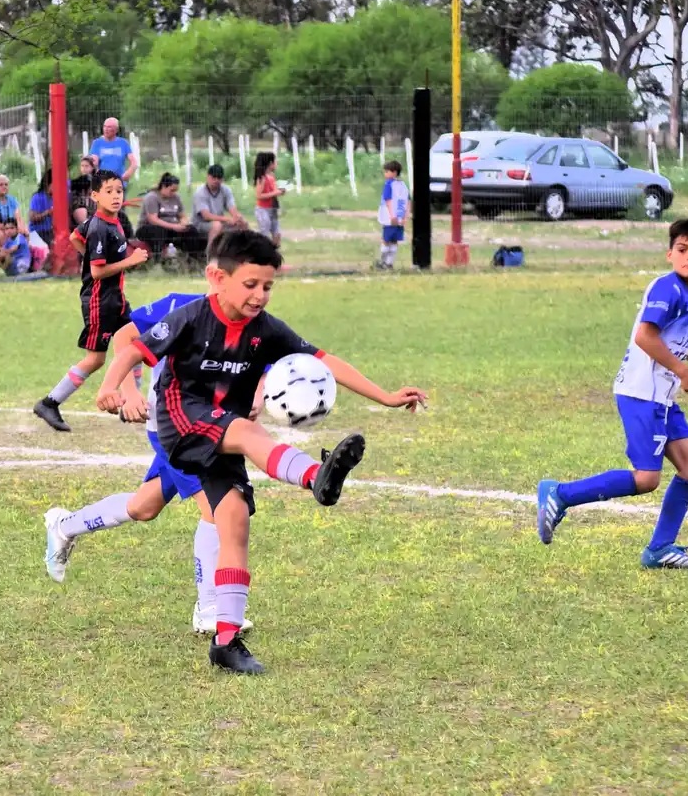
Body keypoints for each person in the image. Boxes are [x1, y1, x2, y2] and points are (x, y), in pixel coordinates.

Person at [94, 229, 427, 674]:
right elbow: (132, 350)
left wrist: (385, 396)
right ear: (217, 278)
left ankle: (226, 640)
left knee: (234, 522)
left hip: (220, 430)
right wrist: (110, 386)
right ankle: (316, 476)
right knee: (250, 433)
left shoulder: (265, 329)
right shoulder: (192, 317)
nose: (260, 295)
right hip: (181, 420)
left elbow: (325, 361)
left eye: (268, 286)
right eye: (250, 284)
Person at [43, 286, 254, 635]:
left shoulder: (252, 320)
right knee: (216, 508)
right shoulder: (181, 305)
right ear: (218, 275)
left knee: (144, 506)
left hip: (210, 428)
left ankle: (64, 526)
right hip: (175, 427)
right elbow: (125, 335)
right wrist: (128, 391)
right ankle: (209, 608)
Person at [535, 218, 688, 570]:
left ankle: (660, 549)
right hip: (642, 393)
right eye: (682, 249)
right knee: (646, 478)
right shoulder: (667, 289)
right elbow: (646, 336)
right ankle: (560, 494)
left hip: (661, 396)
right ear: (669, 254)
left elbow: (684, 342)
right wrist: (684, 372)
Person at [32, 170, 148, 433]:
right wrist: (129, 261)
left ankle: (132, 404)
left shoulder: (110, 221)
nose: (116, 196)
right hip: (99, 302)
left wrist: (92, 258)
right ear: (95, 196)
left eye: (119, 191)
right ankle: (49, 403)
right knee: (96, 359)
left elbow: (75, 236)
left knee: (137, 343)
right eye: (109, 191)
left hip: (115, 298)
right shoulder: (99, 228)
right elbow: (96, 273)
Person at [136, 173, 204, 261]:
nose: (174, 193)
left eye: (176, 190)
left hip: (170, 228)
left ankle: (193, 259)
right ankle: (157, 261)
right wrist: (174, 226)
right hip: (148, 228)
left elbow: (182, 214)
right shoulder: (152, 197)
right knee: (159, 231)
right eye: (172, 190)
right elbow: (153, 220)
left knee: (191, 230)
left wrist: (184, 222)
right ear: (164, 186)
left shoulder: (176, 197)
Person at [191, 164, 247, 255]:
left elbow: (231, 207)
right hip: (200, 224)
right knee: (216, 225)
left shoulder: (226, 190)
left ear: (222, 179)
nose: (216, 180)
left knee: (242, 222)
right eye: (214, 177)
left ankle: (243, 253)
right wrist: (227, 219)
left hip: (219, 221)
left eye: (219, 178)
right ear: (208, 177)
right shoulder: (200, 192)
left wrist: (236, 217)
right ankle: (210, 255)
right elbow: (206, 216)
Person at [376, 160, 409, 270]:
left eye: (387, 171)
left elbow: (388, 200)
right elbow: (408, 200)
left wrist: (392, 215)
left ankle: (382, 262)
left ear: (394, 172)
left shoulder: (389, 184)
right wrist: (405, 216)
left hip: (390, 218)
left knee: (386, 240)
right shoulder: (403, 185)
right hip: (400, 217)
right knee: (394, 240)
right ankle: (389, 263)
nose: (385, 174)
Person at [252, 152, 285, 248]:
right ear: (270, 163)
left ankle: (274, 252)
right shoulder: (262, 178)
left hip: (272, 209)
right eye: (275, 162)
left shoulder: (271, 177)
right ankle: (262, 251)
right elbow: (259, 195)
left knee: (277, 233)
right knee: (264, 233)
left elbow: (274, 191)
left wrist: (280, 191)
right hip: (263, 210)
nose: (276, 164)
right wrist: (275, 193)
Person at [28, 170, 55, 246]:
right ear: (48, 185)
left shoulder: (55, 197)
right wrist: (47, 213)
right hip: (37, 233)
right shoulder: (37, 197)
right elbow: (32, 218)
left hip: (50, 232)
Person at [69, 156, 98, 227]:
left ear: (92, 168)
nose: (84, 168)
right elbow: (84, 224)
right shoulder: (78, 201)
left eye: (86, 166)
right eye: (82, 166)